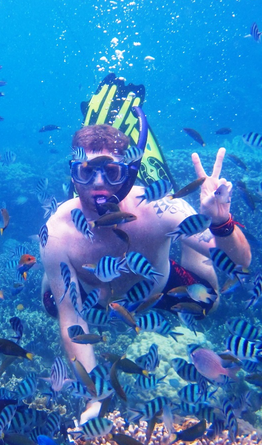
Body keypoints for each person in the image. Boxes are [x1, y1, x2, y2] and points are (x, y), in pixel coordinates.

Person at [40, 124, 251, 373]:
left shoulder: (160, 208)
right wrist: (94, 396)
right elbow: (71, 319)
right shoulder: (57, 231)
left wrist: (220, 222)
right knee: (53, 307)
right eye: (85, 172)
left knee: (209, 304)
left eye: (111, 171)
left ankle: (189, 245)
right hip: (90, 294)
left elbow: (240, 263)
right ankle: (54, 270)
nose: (98, 183)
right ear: (73, 174)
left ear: (129, 172)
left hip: (156, 288)